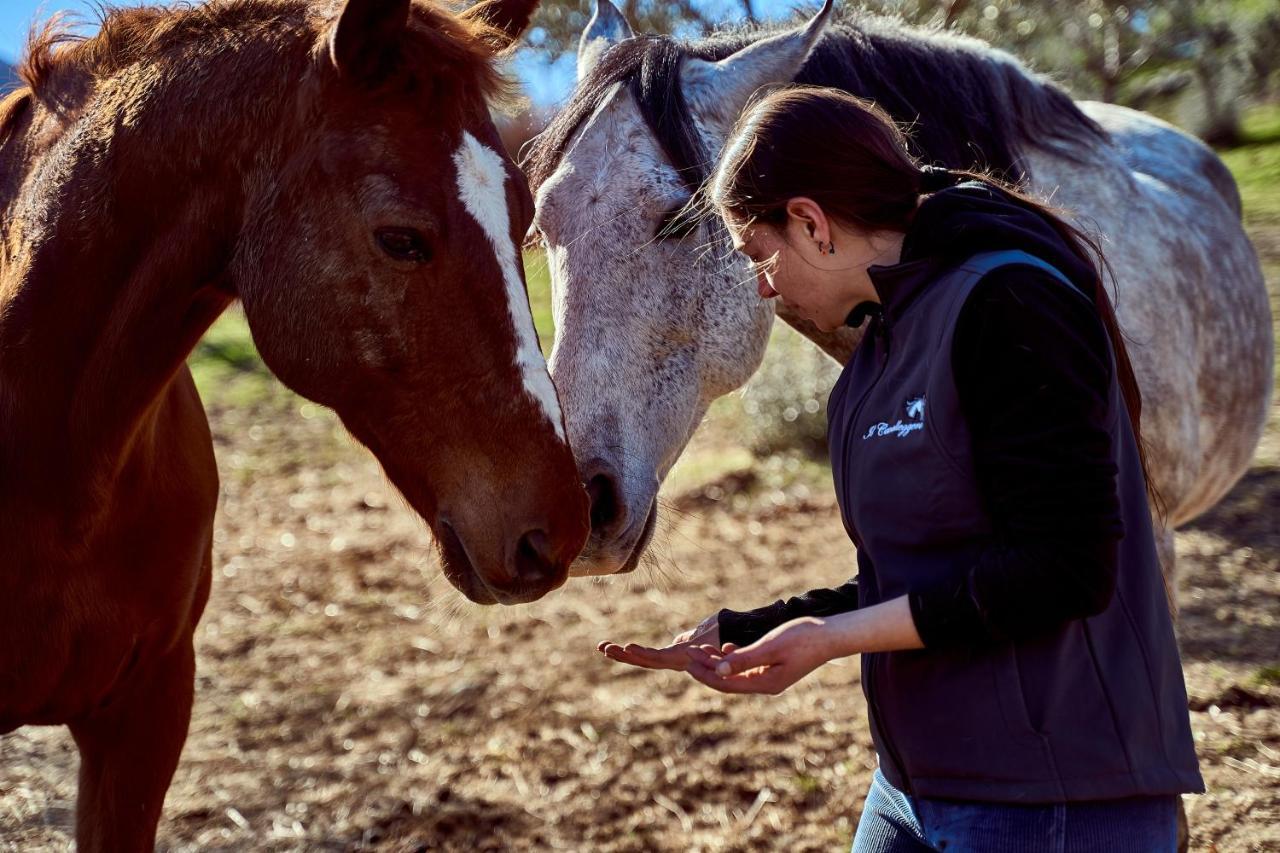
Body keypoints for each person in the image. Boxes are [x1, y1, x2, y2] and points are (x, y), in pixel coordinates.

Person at [597, 87, 1203, 852]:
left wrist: (832, 637)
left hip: (1053, 796)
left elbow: (1065, 568)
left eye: (758, 253)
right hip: (918, 784)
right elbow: (924, 569)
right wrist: (759, 627)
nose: (762, 283)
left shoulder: (1009, 301)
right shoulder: (879, 348)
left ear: (813, 225)